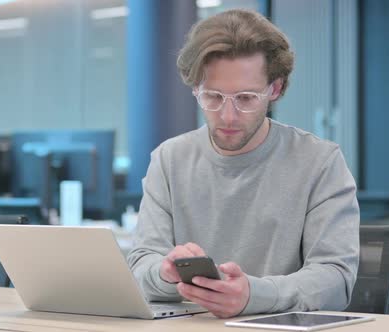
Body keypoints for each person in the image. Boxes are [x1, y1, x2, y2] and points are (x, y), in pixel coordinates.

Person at [126, 9, 359, 319]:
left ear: (274, 89)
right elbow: (142, 264)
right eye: (213, 97)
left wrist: (255, 295)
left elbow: (336, 278)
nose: (228, 116)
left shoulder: (319, 162)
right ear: (196, 88)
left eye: (247, 98)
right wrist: (165, 273)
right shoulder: (169, 159)